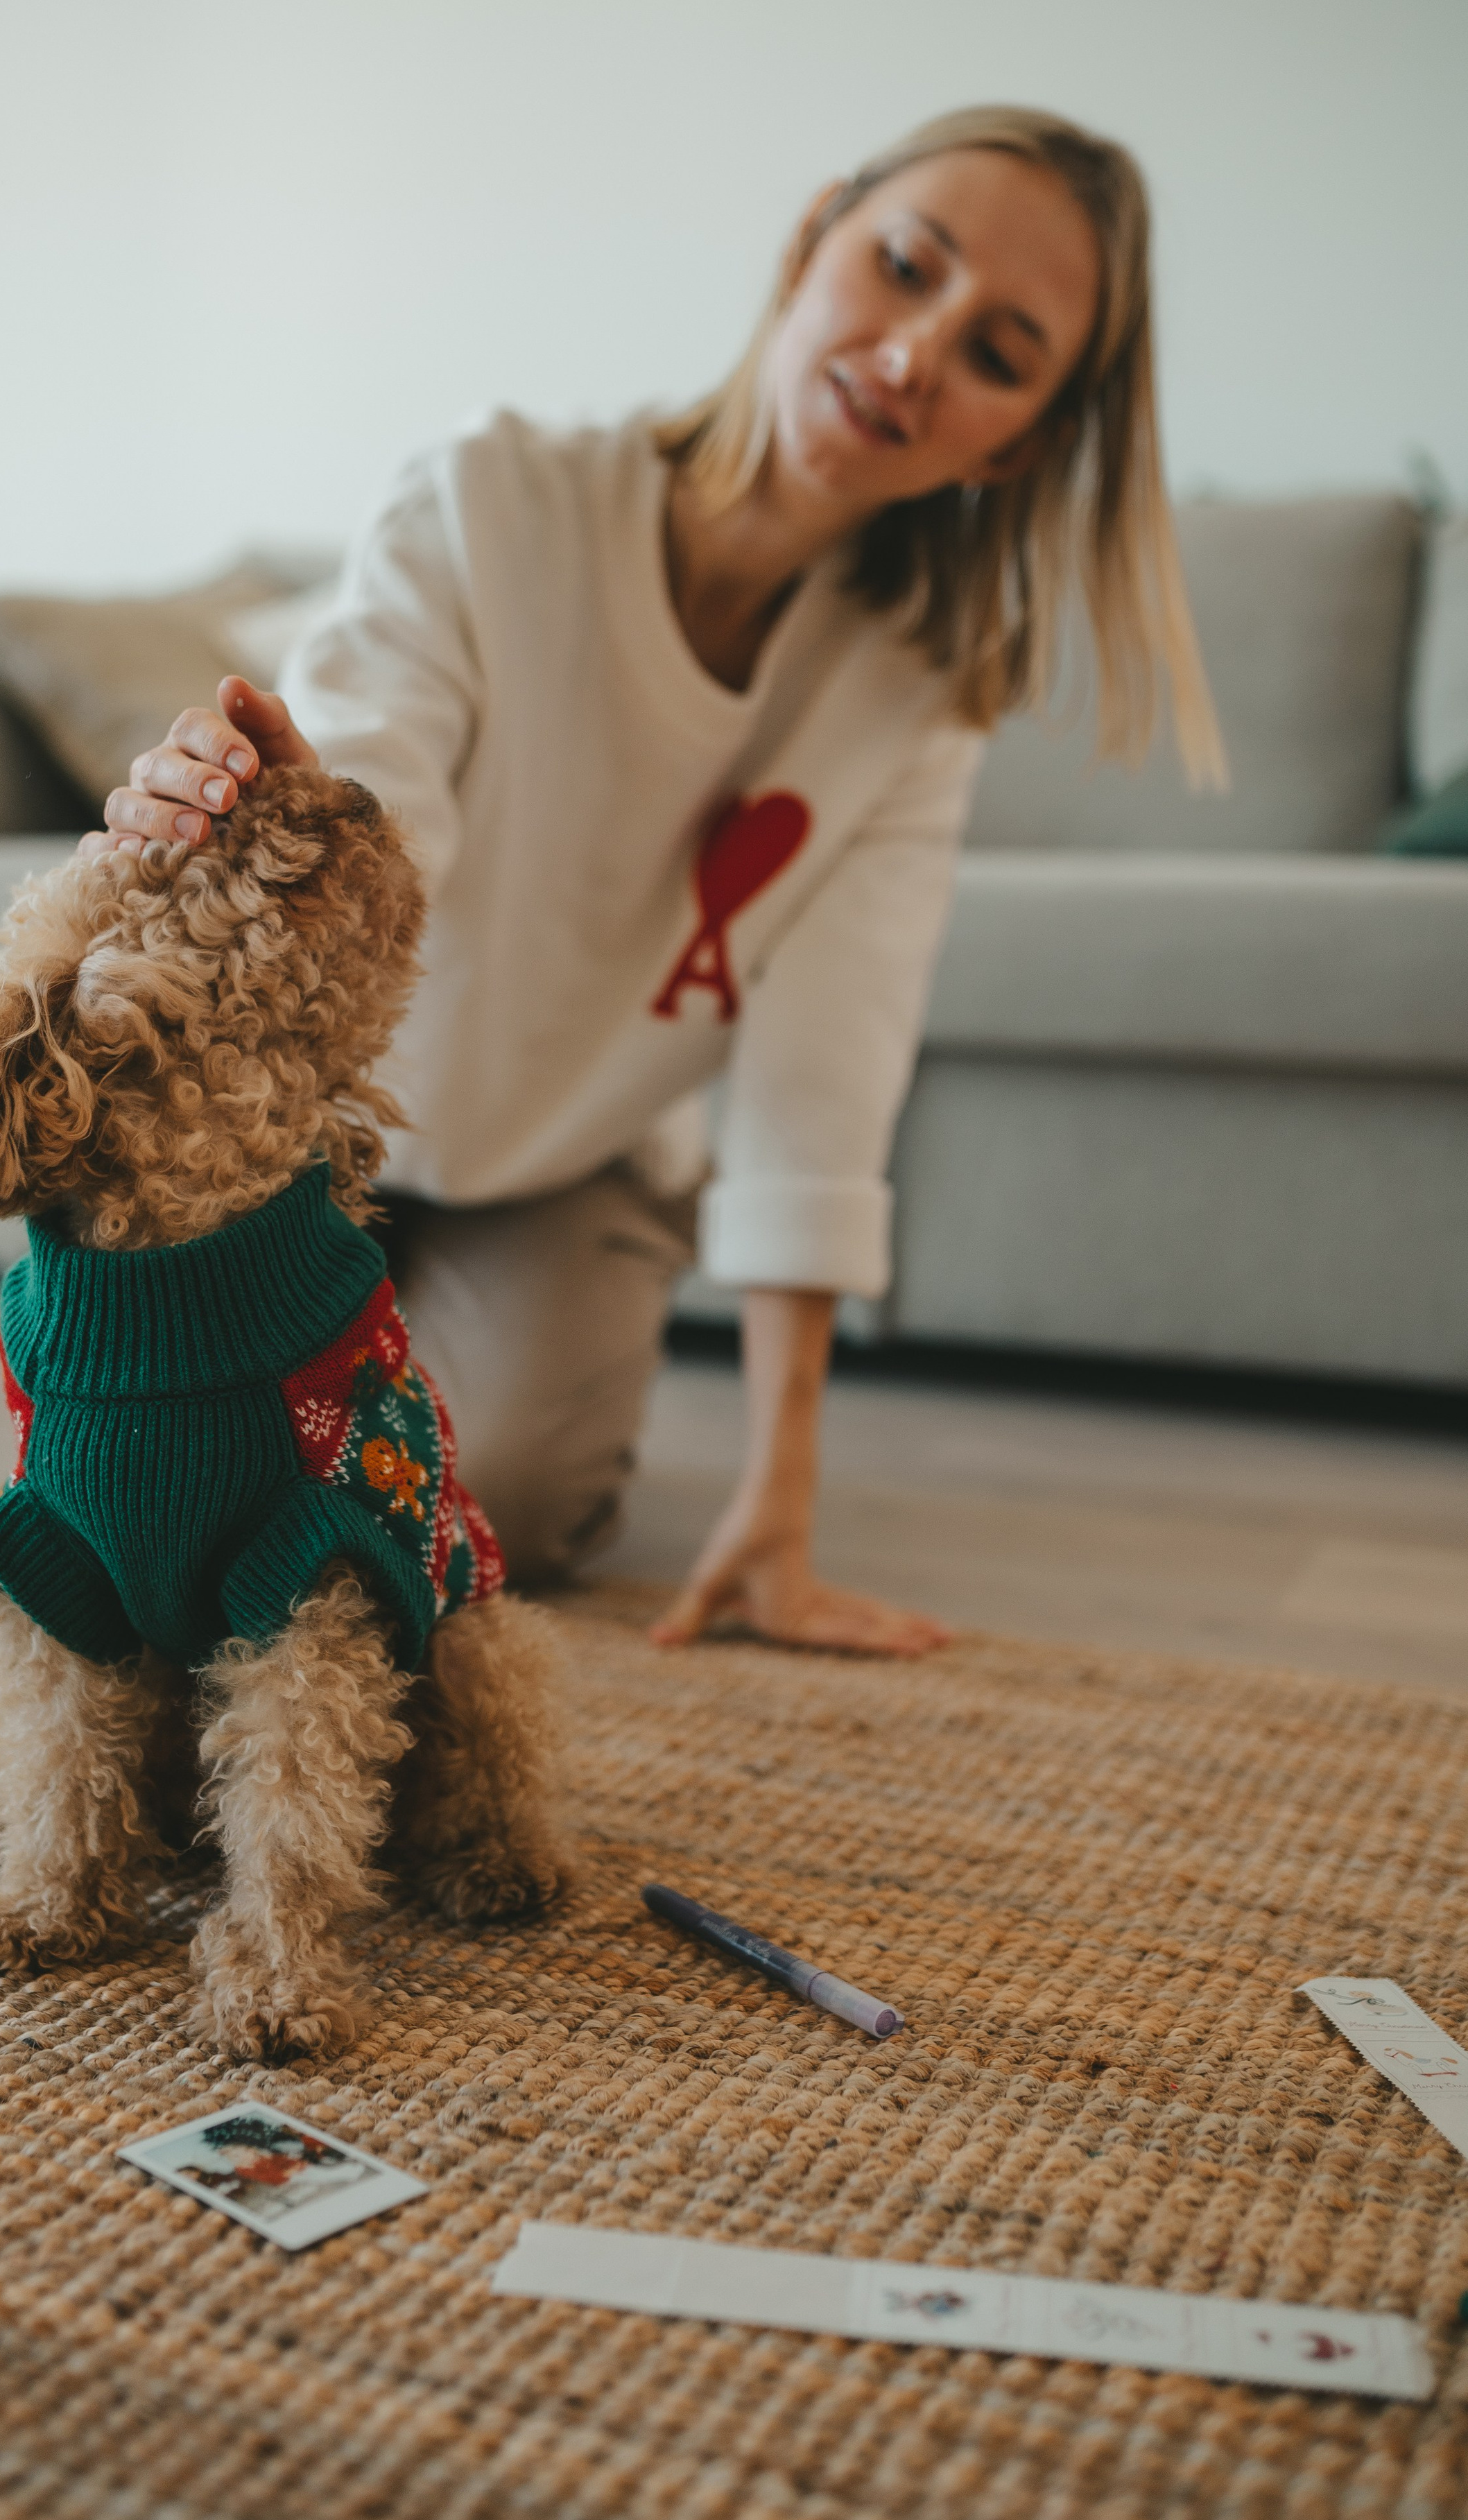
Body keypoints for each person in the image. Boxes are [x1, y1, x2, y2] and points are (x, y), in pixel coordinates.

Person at [83, 105, 1222, 1657]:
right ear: (810, 235)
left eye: (996, 354)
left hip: (564, 1160)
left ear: (1013, 439)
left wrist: (781, 1508)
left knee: (512, 1511)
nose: (911, 354)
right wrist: (237, 810)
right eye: (901, 267)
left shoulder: (916, 694)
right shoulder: (488, 496)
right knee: (167, 1474)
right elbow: (360, 823)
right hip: (320, 1113)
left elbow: (824, 1075)